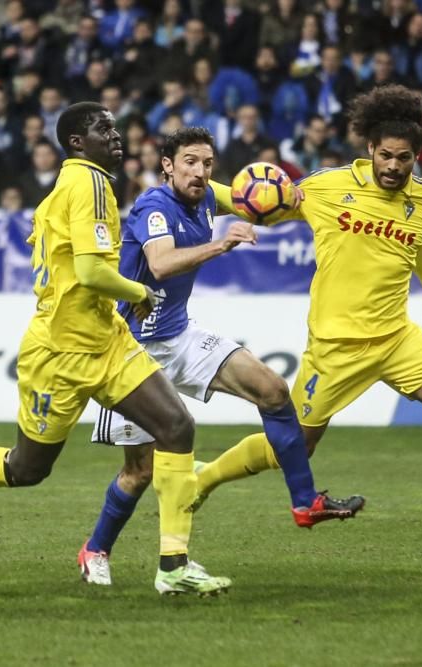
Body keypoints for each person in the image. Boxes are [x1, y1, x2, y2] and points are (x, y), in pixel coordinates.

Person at [0, 102, 232, 596]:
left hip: (104, 340)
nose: (116, 133)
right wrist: (140, 292)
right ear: (77, 142)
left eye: (114, 125)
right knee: (26, 469)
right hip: (58, 353)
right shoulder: (88, 184)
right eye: (103, 128)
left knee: (176, 427)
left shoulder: (73, 186)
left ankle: (173, 564)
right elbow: (90, 273)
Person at [193, 85, 422, 558]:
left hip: (398, 339)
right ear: (369, 150)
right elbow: (252, 202)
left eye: (404, 158)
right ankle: (205, 476)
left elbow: (416, 240)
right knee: (294, 448)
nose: (394, 166)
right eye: (386, 155)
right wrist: (193, 189)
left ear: (417, 157)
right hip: (336, 349)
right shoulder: (326, 188)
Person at [77, 127, 365, 585]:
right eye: (190, 162)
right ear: (168, 165)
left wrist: (314, 201)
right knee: (139, 471)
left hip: (180, 334)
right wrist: (223, 243)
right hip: (132, 352)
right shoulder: (154, 207)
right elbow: (161, 264)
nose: (200, 171)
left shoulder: (208, 194)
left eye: (207, 163)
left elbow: (263, 205)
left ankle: (305, 501)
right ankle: (95, 549)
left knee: (273, 391)